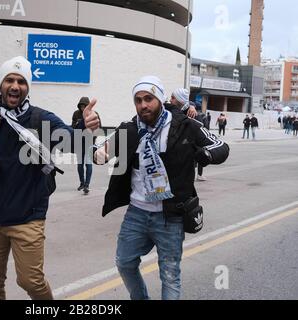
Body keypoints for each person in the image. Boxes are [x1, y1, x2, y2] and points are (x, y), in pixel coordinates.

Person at [84, 75, 229, 300]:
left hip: (171, 216)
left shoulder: (186, 126)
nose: (143, 105)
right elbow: (100, 148)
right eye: (138, 100)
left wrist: (206, 154)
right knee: (124, 263)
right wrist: (97, 150)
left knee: (170, 275)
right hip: (137, 213)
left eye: (149, 98)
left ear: (160, 98)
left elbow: (221, 145)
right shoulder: (130, 129)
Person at [0, 56, 74, 300]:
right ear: (1, 85)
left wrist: (89, 128)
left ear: (27, 87)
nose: (15, 85)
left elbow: (74, 140)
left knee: (32, 281)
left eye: (21, 81)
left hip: (27, 218)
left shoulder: (41, 119)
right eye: (9, 79)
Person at [71, 96, 100, 194]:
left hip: (89, 143)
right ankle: (82, 183)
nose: (83, 108)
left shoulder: (94, 114)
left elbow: (98, 128)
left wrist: (93, 141)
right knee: (80, 165)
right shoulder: (76, 114)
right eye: (81, 106)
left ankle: (87, 185)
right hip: (79, 143)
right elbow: (73, 128)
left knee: (88, 164)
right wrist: (80, 122)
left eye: (85, 106)